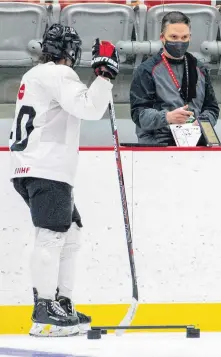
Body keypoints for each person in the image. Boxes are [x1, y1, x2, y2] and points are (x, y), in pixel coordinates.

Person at [8, 23, 120, 337]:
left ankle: (62, 302)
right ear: (70, 50)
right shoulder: (59, 74)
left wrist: (100, 79)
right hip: (47, 168)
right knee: (51, 237)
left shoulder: (35, 75)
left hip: (35, 167)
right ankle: (44, 310)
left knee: (70, 232)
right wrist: (104, 76)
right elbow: (90, 108)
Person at [130, 11, 220, 146]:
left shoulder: (199, 68)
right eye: (173, 36)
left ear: (190, 37)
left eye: (184, 37)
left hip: (196, 139)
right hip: (159, 143)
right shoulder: (147, 70)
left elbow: (212, 108)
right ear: (162, 37)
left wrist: (201, 121)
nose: (179, 42)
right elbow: (139, 114)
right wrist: (167, 117)